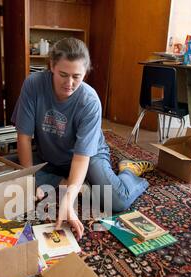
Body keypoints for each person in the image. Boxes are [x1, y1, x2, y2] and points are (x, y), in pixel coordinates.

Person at [11, 37, 154, 240]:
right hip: (49, 153)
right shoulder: (33, 85)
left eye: (77, 76)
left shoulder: (89, 100)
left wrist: (68, 203)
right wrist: (29, 180)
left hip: (87, 156)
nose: (69, 83)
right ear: (51, 65)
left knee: (117, 201)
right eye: (63, 75)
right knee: (5, 171)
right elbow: (24, 137)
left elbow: (81, 157)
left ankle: (129, 172)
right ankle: (65, 181)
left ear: (85, 73)